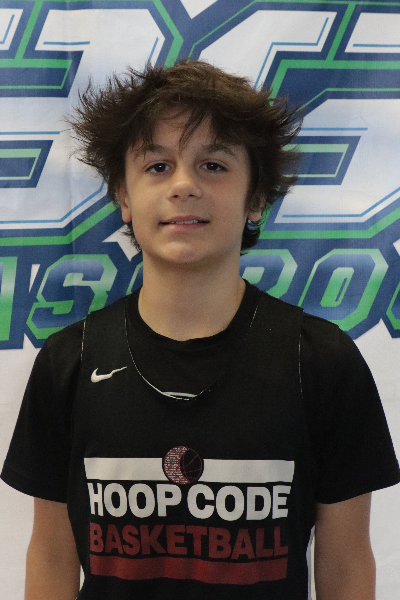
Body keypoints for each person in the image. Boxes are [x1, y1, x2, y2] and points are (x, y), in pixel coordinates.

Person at [1, 61, 399, 600]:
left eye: (213, 165)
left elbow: (347, 564)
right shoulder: (68, 362)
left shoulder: (322, 362)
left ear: (256, 198)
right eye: (157, 166)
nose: (184, 185)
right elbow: (50, 557)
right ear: (123, 195)